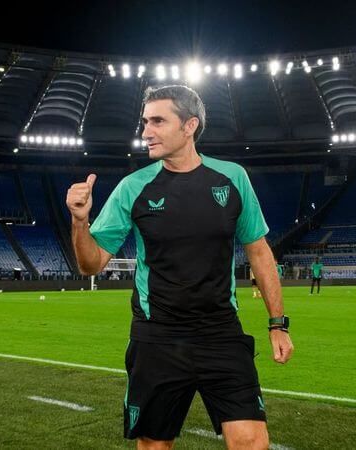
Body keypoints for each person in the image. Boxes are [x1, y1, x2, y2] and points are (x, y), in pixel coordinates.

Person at [67, 85, 293, 449]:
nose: (145, 132)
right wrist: (80, 221)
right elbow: (91, 265)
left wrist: (277, 324)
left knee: (252, 441)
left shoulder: (232, 178)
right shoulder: (132, 187)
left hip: (221, 333)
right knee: (155, 445)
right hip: (158, 338)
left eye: (157, 121)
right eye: (144, 122)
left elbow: (260, 252)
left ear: (190, 126)